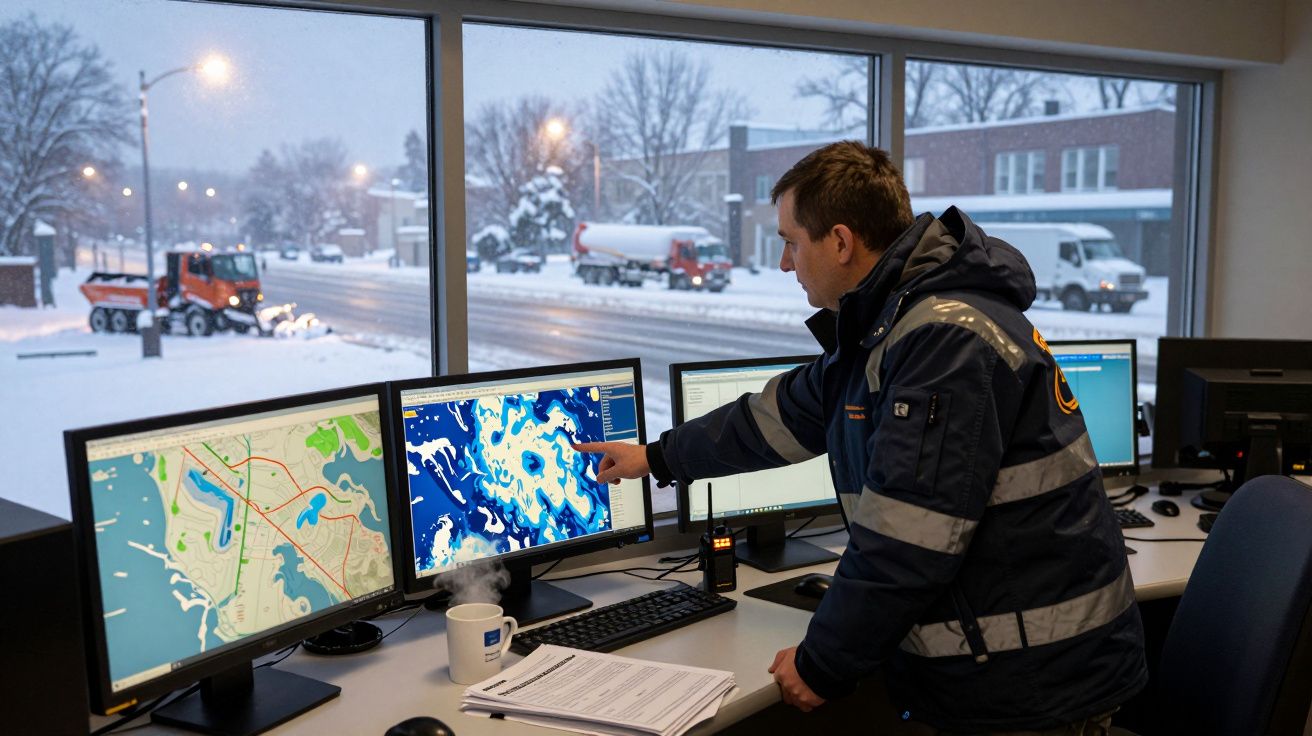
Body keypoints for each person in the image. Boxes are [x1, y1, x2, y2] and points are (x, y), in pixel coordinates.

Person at [575, 140, 1147, 734]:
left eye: (791, 243)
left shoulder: (943, 342)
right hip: (1002, 665)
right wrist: (657, 457)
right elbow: (772, 420)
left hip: (1034, 684)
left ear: (842, 242)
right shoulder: (890, 328)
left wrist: (821, 664)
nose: (784, 264)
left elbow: (905, 542)